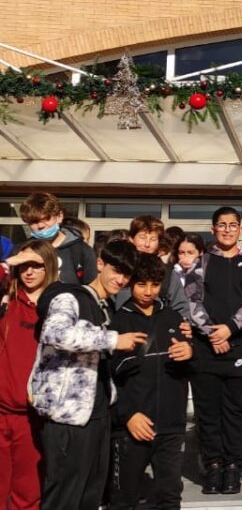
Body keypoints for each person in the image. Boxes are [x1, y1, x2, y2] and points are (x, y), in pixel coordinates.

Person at [31, 240, 147, 510]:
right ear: (100, 264)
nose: (120, 279)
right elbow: (55, 333)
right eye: (116, 270)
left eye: (126, 275)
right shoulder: (70, 297)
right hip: (68, 418)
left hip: (98, 414)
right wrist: (112, 339)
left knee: (90, 496)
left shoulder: (106, 307)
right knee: (65, 497)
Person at [186, 207, 242, 495]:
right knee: (208, 413)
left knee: (235, 412)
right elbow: (193, 303)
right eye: (222, 225)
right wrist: (211, 332)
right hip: (206, 349)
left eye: (233, 225)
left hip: (239, 347)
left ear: (240, 228)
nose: (228, 230)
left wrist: (230, 328)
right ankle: (213, 466)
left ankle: (233, 466)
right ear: (213, 228)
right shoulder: (200, 263)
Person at [109, 253, 194, 510]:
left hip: (171, 426)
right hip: (132, 427)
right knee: (125, 499)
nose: (148, 291)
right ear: (130, 284)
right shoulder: (117, 321)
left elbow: (191, 370)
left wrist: (191, 353)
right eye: (142, 284)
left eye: (154, 285)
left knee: (170, 497)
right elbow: (108, 378)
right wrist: (128, 415)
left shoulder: (172, 319)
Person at [0, 240, 59, 509]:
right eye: (24, 265)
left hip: (33, 417)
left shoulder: (59, 307)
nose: (29, 272)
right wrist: (8, 263)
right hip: (1, 412)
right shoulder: (6, 302)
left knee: (27, 491)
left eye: (37, 265)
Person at [116, 215, 190, 320]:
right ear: (131, 239)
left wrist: (181, 327)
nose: (147, 244)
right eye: (142, 237)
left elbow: (181, 309)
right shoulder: (119, 270)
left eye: (153, 239)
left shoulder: (167, 274)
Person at [19, 192, 97, 286]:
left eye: (46, 219)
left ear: (60, 216)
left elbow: (91, 289)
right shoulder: (21, 251)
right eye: (33, 222)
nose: (40, 226)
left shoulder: (82, 251)